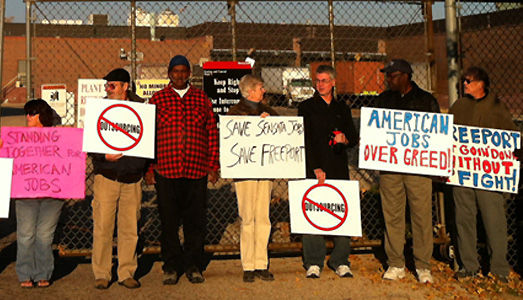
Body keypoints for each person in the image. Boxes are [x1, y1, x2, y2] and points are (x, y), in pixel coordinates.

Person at [145, 55, 219, 285]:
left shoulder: (201, 99)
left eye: (183, 71)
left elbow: (212, 132)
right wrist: (149, 167)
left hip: (196, 169)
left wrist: (213, 164)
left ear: (189, 74)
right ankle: (171, 265)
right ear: (169, 74)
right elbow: (148, 136)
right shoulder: (157, 100)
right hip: (166, 169)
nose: (179, 75)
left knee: (194, 221)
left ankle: (193, 264)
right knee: (168, 221)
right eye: (175, 71)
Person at [450, 67, 519, 283]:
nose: (464, 85)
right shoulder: (459, 106)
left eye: (468, 81)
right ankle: (469, 265)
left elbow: (510, 138)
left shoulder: (497, 108)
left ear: (482, 83)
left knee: (494, 220)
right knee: (464, 219)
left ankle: (499, 268)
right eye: (463, 81)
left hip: (489, 177)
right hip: (462, 174)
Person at [374, 59, 440, 284]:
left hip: (418, 169)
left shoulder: (425, 100)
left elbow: (437, 136)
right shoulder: (383, 100)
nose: (388, 79)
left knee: (421, 215)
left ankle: (423, 265)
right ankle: (396, 263)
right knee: (392, 215)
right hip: (390, 168)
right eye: (387, 75)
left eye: (392, 76)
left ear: (405, 76)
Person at [298, 65, 358, 279]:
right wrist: (314, 166)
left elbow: (353, 136)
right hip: (314, 166)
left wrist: (345, 138)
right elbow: (303, 140)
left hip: (338, 166)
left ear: (333, 82)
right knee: (312, 213)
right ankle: (314, 261)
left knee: (341, 212)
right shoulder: (306, 107)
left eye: (324, 80)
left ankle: (340, 260)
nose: (320, 84)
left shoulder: (342, 108)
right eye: (317, 80)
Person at [90, 68, 147, 289]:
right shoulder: (100, 110)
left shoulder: (142, 109)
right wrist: (104, 156)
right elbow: (91, 143)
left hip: (132, 178)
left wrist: (143, 168)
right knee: (103, 227)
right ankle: (102, 273)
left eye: (112, 85)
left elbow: (147, 140)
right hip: (107, 177)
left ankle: (126, 272)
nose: (108, 89)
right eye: (107, 86)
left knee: (129, 228)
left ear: (125, 87)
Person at [0, 99, 63, 288]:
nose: (28, 117)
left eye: (33, 113)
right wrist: (2, 147)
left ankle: (43, 273)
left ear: (42, 115)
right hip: (25, 195)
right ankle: (25, 274)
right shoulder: (18, 138)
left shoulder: (59, 137)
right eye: (27, 113)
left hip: (52, 196)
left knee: (45, 236)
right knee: (26, 235)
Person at [227, 75, 278, 283]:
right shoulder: (236, 112)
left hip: (264, 171)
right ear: (249, 91)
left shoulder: (270, 112)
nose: (263, 91)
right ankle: (248, 265)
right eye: (260, 88)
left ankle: (261, 263)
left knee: (263, 217)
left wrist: (270, 123)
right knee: (247, 217)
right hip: (245, 173)